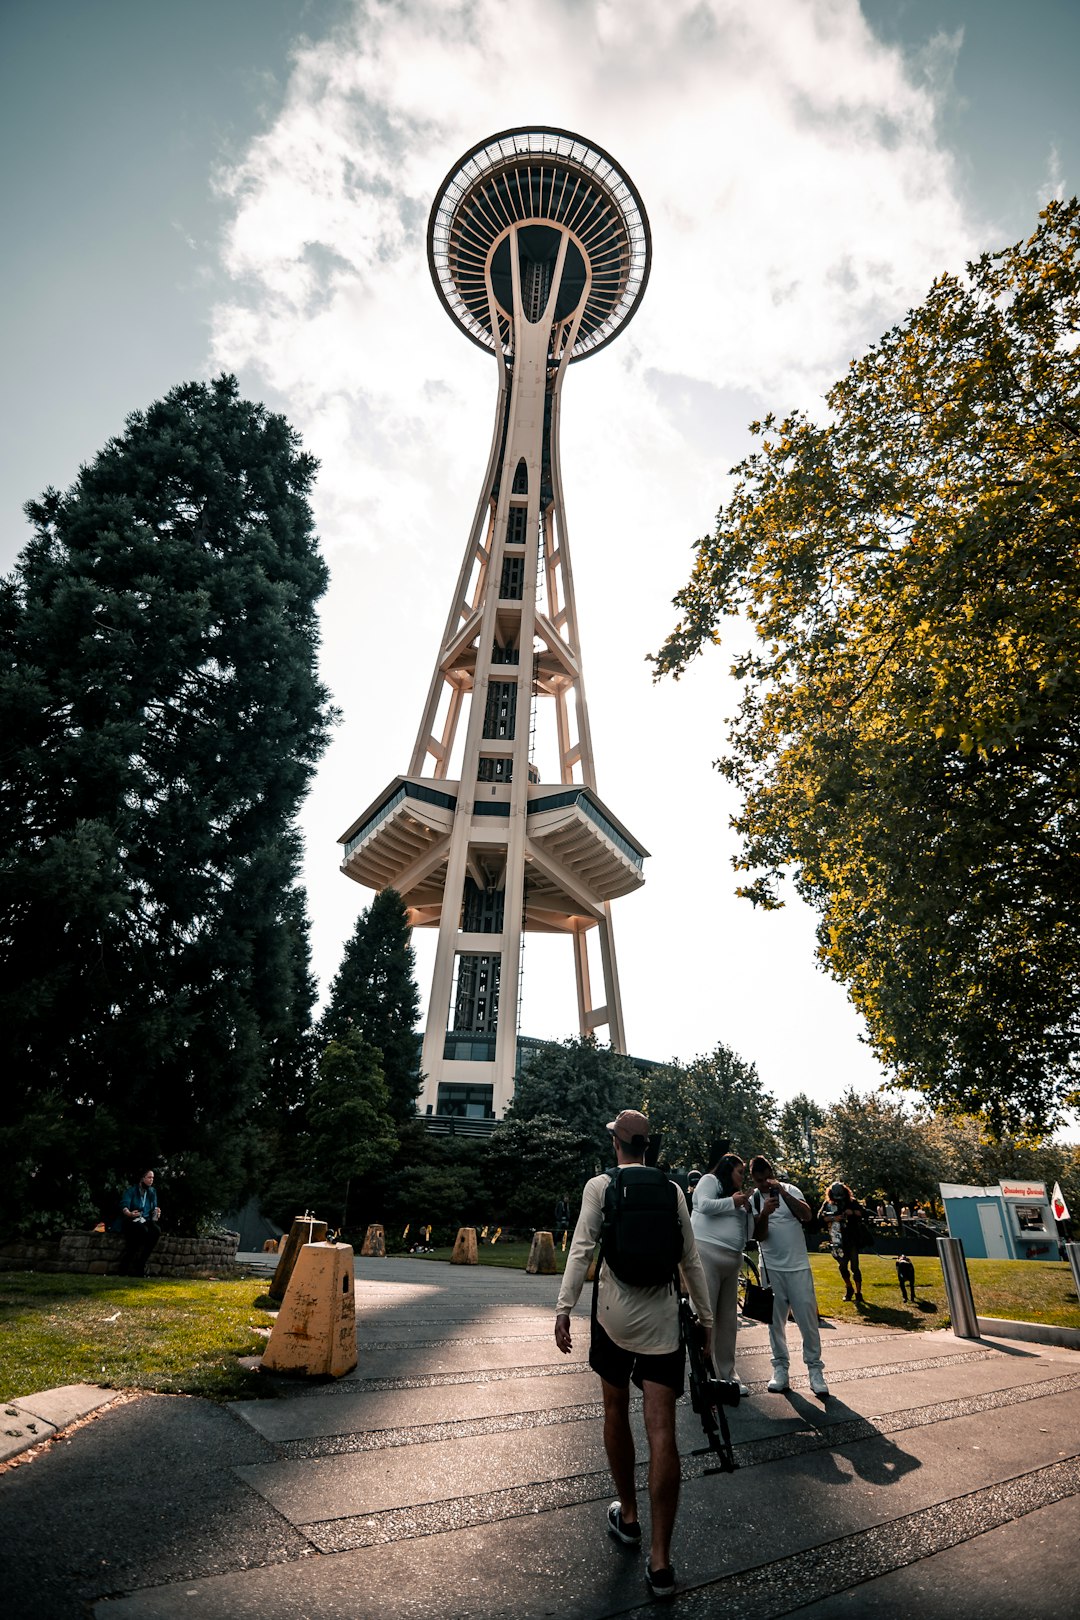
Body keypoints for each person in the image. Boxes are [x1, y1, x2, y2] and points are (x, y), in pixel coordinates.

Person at [555, 1109, 713, 1602]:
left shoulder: (599, 1187)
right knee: (661, 1429)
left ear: (617, 1145)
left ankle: (628, 1515)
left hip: (612, 1319)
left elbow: (581, 1251)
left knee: (613, 1408)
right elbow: (690, 1259)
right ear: (649, 1147)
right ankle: (662, 1562)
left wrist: (564, 1308)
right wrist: (706, 1321)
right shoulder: (671, 1191)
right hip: (663, 1322)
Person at [748, 1155, 829, 1398]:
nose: (763, 1184)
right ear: (753, 1178)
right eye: (758, 1180)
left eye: (766, 1178)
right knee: (775, 1324)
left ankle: (815, 1371)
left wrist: (782, 1193)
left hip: (797, 1267)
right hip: (771, 1268)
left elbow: (807, 1216)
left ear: (772, 1172)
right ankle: (780, 1369)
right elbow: (758, 1237)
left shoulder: (790, 1189)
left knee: (808, 1321)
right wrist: (764, 1214)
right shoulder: (753, 1198)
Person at [691, 1152, 757, 1396]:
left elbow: (748, 1234)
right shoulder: (710, 1181)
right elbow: (702, 1204)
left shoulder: (738, 1198)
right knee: (705, 1315)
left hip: (732, 1260)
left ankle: (728, 1375)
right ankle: (702, 1374)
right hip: (707, 1253)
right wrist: (733, 1202)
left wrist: (749, 1210)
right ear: (728, 1169)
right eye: (740, 1172)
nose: (742, 1178)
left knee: (728, 1320)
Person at [818, 1181, 868, 1302]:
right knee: (843, 1266)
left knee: (855, 1267)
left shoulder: (852, 1202)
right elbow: (820, 1218)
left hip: (852, 1239)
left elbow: (863, 1213)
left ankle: (858, 1293)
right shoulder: (828, 1204)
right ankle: (849, 1288)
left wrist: (853, 1213)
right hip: (837, 1240)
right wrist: (834, 1218)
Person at [112, 1168, 161, 1276]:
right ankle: (126, 1266)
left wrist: (156, 1214)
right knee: (141, 1230)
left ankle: (141, 1263)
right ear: (142, 1178)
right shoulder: (132, 1191)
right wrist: (129, 1213)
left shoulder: (152, 1192)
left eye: (152, 1178)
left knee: (156, 1231)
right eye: (149, 1177)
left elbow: (154, 1211)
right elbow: (124, 1205)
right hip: (131, 1219)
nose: (151, 1180)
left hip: (145, 1219)